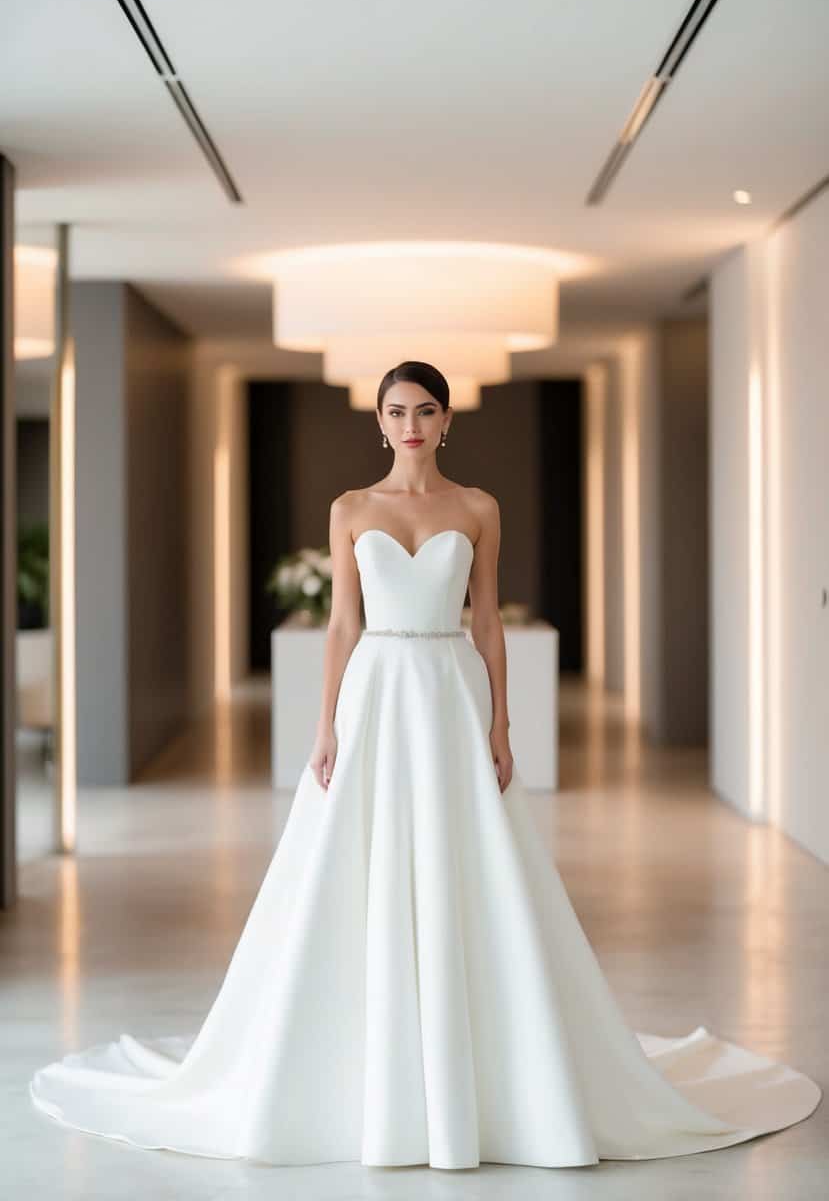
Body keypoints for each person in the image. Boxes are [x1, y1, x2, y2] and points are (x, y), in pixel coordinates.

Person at [30, 360, 820, 1169]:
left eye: (426, 410)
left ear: (447, 421)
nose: (411, 424)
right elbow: (341, 624)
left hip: (448, 690)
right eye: (397, 411)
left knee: (466, 860)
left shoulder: (477, 507)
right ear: (378, 422)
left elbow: (487, 622)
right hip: (376, 689)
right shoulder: (349, 508)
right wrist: (325, 723)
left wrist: (501, 722)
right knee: (355, 861)